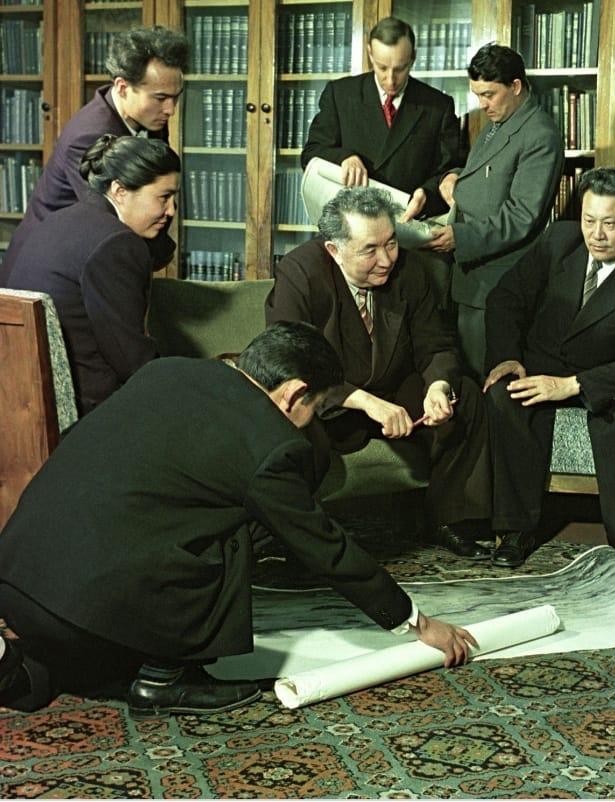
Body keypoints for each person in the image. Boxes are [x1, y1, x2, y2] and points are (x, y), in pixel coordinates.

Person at [0, 322, 477, 717]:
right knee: (234, 531)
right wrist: (417, 624)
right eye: (318, 408)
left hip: (17, 578)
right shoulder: (271, 445)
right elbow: (326, 549)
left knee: (64, 666)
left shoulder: (167, 371)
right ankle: (164, 678)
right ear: (294, 393)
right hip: (92, 598)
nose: (313, 421)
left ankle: (16, 669)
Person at [265, 187, 492, 560]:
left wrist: (438, 387)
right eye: (369, 250)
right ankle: (297, 537)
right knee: (294, 422)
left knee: (463, 396)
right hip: (329, 400)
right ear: (334, 250)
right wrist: (367, 403)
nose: (386, 259)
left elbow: (435, 343)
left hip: (393, 387)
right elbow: (291, 361)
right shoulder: (299, 272)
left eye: (391, 243)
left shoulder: (410, 270)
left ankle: (449, 521)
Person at [482, 168, 615, 569]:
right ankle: (515, 530)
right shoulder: (558, 241)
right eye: (589, 220)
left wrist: (573, 385)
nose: (596, 234)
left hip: (602, 380)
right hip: (540, 368)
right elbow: (505, 298)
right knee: (503, 395)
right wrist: (508, 358)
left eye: (609, 223)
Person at [4, 135, 180, 415]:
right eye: (163, 197)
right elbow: (132, 361)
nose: (171, 210)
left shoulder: (57, 220)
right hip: (92, 411)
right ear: (120, 191)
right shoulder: (117, 243)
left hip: (24, 402)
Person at [1, 26, 186, 280]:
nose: (170, 110)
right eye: (160, 98)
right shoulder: (88, 136)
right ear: (122, 87)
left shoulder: (151, 118)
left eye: (176, 98)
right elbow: (112, 222)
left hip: (92, 256)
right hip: (44, 275)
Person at [423, 43, 563, 377]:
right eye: (478, 95)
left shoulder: (539, 134)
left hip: (496, 283)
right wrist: (454, 177)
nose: (482, 104)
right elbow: (487, 178)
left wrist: (460, 237)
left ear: (515, 86)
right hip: (471, 280)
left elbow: (521, 216)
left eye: (489, 94)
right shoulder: (500, 121)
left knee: (486, 380)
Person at [300, 16, 463, 220]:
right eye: (382, 67)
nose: (391, 79)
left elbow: (448, 171)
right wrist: (344, 157)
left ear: (413, 57)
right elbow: (310, 155)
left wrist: (427, 194)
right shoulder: (340, 94)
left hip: (407, 223)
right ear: (370, 54)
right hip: (351, 224)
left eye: (400, 68)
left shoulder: (438, 106)